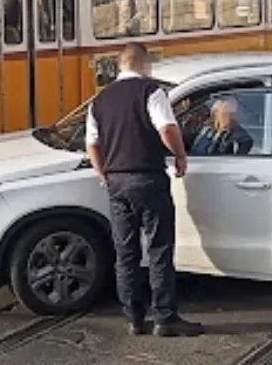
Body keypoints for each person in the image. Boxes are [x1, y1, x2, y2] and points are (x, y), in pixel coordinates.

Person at [85, 43, 204, 338]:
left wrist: (104, 174)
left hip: (117, 183)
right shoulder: (151, 91)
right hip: (148, 178)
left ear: (120, 65)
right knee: (159, 249)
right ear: (144, 63)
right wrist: (180, 154)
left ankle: (134, 318)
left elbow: (92, 144)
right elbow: (166, 128)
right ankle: (165, 317)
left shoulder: (99, 101)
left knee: (125, 253)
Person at [189, 98, 254, 157]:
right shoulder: (206, 130)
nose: (228, 116)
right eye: (216, 111)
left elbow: (236, 163)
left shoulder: (241, 138)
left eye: (229, 112)